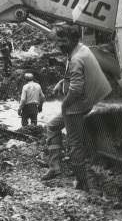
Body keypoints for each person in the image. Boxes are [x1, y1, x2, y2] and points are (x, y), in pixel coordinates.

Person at [41, 24, 111, 193]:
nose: (58, 45)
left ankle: (82, 183)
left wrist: (64, 105)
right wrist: (61, 82)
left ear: (72, 40)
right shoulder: (80, 49)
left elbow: (76, 89)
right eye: (57, 41)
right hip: (90, 98)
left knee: (75, 145)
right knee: (52, 126)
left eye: (62, 41)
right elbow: (73, 75)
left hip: (78, 105)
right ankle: (55, 166)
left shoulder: (76, 59)